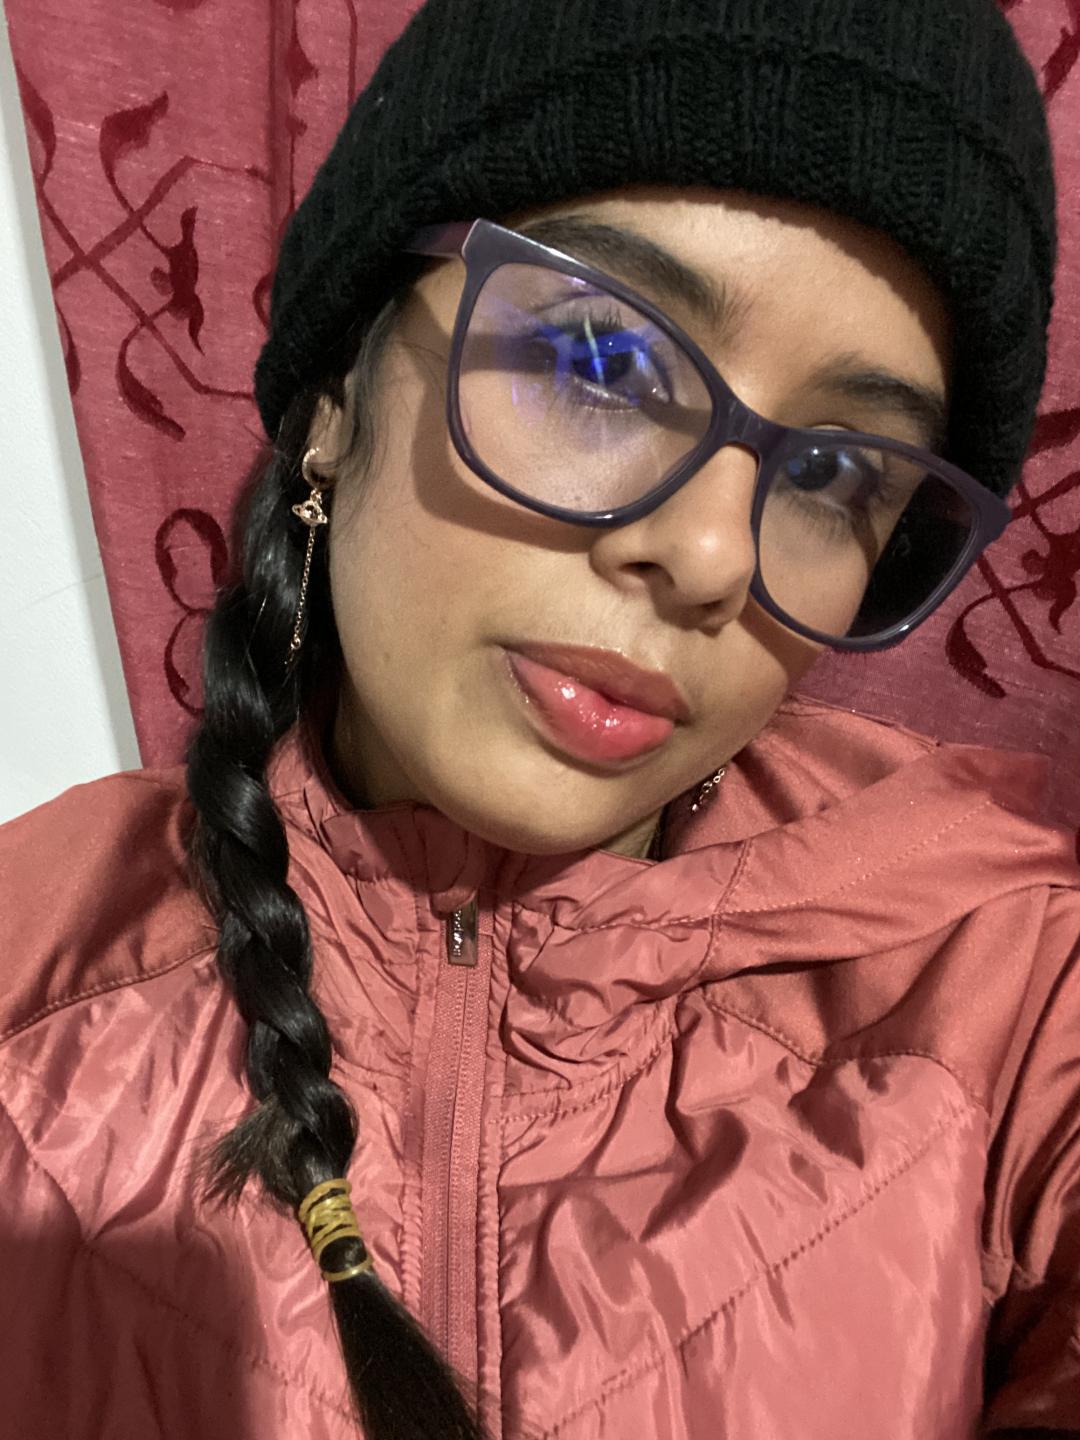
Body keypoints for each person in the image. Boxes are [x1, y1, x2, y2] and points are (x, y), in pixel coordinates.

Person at [1, 0, 1078, 1436]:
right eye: (599, 363)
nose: (711, 556)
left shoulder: (993, 986)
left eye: (832, 475)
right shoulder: (33, 972)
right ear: (338, 389)